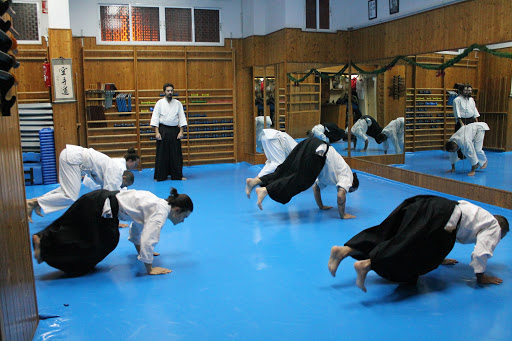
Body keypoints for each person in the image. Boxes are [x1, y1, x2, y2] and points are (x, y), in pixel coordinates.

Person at [327, 195, 509, 292]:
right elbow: (480, 253)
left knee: (390, 231)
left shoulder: (481, 215)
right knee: (408, 248)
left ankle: (344, 250)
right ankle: (368, 264)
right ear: (502, 231)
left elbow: (447, 233)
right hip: (439, 216)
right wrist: (481, 277)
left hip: (430, 203)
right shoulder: (494, 227)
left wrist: (440, 257)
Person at [32, 187, 193, 276]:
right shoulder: (160, 214)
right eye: (184, 217)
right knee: (100, 243)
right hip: (100, 207)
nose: (182, 221)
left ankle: (43, 241)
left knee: (72, 228)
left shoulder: (157, 203)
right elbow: (149, 239)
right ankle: (46, 249)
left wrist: (143, 252)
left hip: (96, 199)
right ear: (177, 210)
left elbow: (138, 229)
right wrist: (149, 268)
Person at [26, 145, 139, 223]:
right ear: (123, 177)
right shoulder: (116, 173)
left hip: (72, 157)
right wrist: (114, 219)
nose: (123, 187)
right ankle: (35, 202)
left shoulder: (115, 169)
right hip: (74, 159)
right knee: (70, 196)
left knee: (65, 191)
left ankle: (37, 202)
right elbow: (109, 196)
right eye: (124, 185)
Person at [246, 138, 359, 213]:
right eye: (350, 190)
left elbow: (316, 188)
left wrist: (321, 206)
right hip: (320, 152)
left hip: (310, 143)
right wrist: (343, 215)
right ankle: (265, 190)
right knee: (301, 180)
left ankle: (255, 182)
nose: (347, 189)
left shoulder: (332, 176)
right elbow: (341, 195)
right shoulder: (348, 175)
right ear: (352, 183)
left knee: (286, 169)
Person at [151, 83, 188, 181]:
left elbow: (182, 118)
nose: (170, 92)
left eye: (171, 91)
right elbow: (155, 118)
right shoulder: (159, 103)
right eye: (168, 91)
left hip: (174, 130)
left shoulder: (178, 103)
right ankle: (160, 176)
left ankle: (177, 175)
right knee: (162, 154)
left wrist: (181, 132)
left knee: (176, 154)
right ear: (164, 92)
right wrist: (157, 132)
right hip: (163, 130)